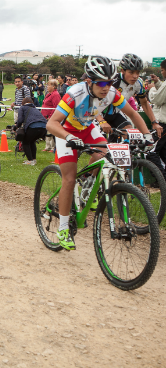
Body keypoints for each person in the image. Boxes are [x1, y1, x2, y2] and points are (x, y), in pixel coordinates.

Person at [46, 55, 153, 251]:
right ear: (89, 81)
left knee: (106, 154)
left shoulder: (111, 93)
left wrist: (146, 134)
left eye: (110, 82)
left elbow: (132, 113)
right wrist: (69, 137)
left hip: (88, 128)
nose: (106, 87)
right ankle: (62, 228)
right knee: (69, 180)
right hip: (66, 131)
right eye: (102, 83)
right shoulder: (74, 93)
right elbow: (51, 123)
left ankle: (89, 185)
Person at [14, 97, 47, 165]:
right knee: (32, 141)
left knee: (25, 142)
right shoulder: (35, 108)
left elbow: (20, 120)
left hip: (33, 126)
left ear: (23, 103)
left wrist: (16, 126)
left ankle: (30, 160)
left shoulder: (22, 108)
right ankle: (33, 159)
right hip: (44, 127)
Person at [148, 59, 166, 182]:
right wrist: (158, 83)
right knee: (164, 153)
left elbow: (156, 99)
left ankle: (162, 179)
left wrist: (152, 88)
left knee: (150, 150)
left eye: (162, 70)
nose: (162, 72)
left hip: (163, 124)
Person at [41, 79, 61, 152]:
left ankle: (53, 147)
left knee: (51, 132)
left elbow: (55, 107)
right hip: (45, 116)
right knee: (47, 131)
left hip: (50, 116)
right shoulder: (49, 94)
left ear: (54, 86)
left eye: (49, 85)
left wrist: (50, 116)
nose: (47, 87)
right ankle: (47, 146)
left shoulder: (55, 95)